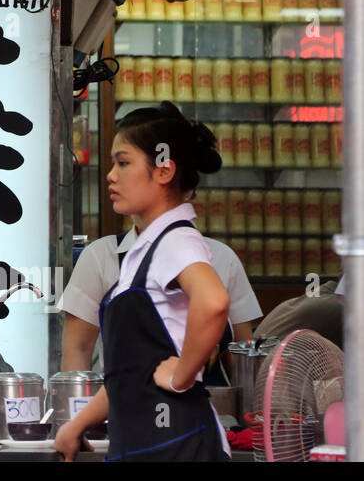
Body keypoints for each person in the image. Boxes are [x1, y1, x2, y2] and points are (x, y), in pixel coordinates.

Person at [55, 102, 231, 462]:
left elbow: (214, 302)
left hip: (176, 444)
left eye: (123, 163)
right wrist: (78, 424)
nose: (111, 176)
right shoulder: (146, 248)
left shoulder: (176, 240)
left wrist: (182, 374)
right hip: (147, 444)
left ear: (164, 170)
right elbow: (132, 373)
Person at [58, 226, 261, 383]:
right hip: (127, 408)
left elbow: (241, 357)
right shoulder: (101, 255)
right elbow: (78, 348)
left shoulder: (222, 258)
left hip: (210, 408)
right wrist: (79, 414)